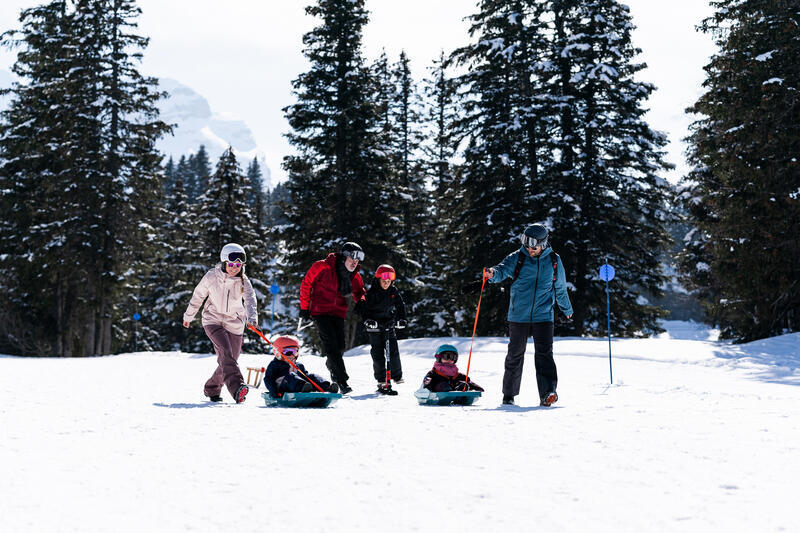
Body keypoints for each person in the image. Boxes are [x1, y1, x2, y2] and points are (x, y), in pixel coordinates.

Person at [483, 224, 574, 407]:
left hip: (544, 315)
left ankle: (548, 392)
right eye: (527, 245)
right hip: (519, 315)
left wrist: (566, 309)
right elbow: (501, 270)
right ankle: (508, 395)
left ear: (544, 244)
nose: (530, 250)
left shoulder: (554, 261)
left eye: (534, 247)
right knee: (515, 355)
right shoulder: (517, 258)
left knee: (544, 355)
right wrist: (492, 274)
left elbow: (560, 288)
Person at [183, 243, 257, 403]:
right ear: (224, 263)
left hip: (235, 323)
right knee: (225, 352)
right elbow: (198, 296)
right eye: (231, 265)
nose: (234, 268)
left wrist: (252, 319)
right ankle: (237, 388)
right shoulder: (211, 277)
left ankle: (212, 388)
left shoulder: (244, 281)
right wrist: (189, 316)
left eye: (238, 265)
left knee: (230, 358)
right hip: (212, 319)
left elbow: (250, 300)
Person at [299, 241, 367, 394]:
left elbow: (360, 292)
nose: (355, 262)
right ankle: (341, 381)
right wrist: (304, 308)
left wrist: (361, 302)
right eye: (353, 258)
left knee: (340, 346)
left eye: (358, 260)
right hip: (319, 311)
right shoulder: (322, 266)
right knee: (331, 346)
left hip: (338, 313)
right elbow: (306, 284)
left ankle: (332, 365)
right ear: (344, 256)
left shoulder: (354, 276)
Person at [359, 264, 407, 394]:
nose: (386, 284)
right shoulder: (372, 293)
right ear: (378, 280)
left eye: (389, 282)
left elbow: (400, 306)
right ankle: (381, 379)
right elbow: (363, 309)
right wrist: (368, 321)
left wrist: (401, 319)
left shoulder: (393, 291)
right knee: (378, 353)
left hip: (388, 324)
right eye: (384, 281)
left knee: (393, 350)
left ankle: (396, 376)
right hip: (374, 325)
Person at [263, 335, 339, 398]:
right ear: (278, 353)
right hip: (282, 388)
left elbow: (305, 377)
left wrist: (309, 380)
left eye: (295, 351)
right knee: (291, 375)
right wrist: (273, 392)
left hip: (299, 386)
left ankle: (326, 388)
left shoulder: (299, 365)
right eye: (288, 352)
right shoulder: (275, 365)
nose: (292, 355)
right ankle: (303, 388)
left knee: (310, 376)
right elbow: (268, 379)